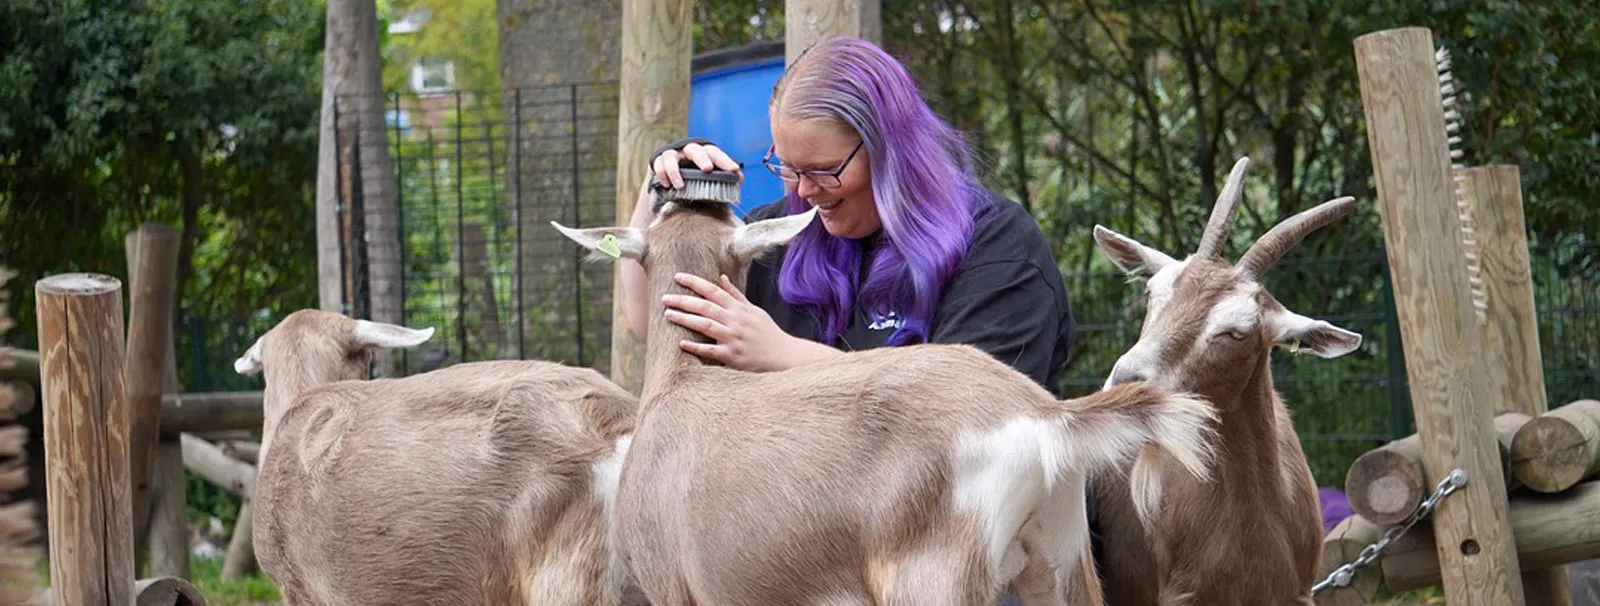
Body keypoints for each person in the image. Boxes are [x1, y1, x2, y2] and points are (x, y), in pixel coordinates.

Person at [618, 34, 1077, 399]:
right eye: (788, 167)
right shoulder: (781, 234)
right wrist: (660, 187)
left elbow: (973, 411)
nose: (805, 190)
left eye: (824, 170)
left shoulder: (998, 249)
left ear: (893, 152)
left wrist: (784, 354)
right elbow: (647, 318)